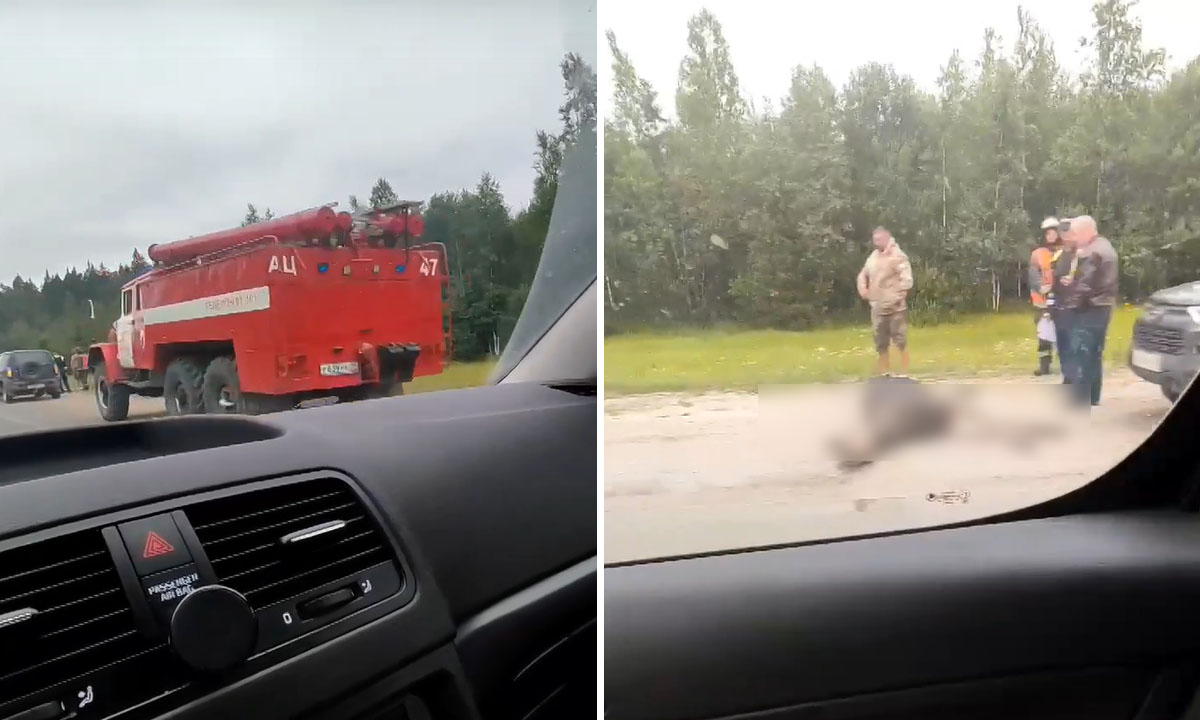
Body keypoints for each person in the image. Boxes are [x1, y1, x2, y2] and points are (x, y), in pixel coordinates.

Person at [1060, 215, 1118, 407]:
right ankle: (1093, 396)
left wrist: (1071, 305)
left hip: (1089, 308)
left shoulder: (1091, 252)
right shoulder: (1104, 246)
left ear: (1086, 231)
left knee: (1081, 352)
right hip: (1103, 306)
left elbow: (1084, 286)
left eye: (1076, 233)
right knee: (1094, 352)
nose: (1074, 238)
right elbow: (1090, 278)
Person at [857, 226, 913, 375]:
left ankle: (904, 371)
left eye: (880, 239)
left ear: (888, 238)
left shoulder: (897, 255)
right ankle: (884, 371)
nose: (877, 242)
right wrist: (863, 289)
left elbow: (906, 278)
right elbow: (863, 274)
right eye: (875, 239)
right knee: (880, 341)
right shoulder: (873, 257)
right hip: (877, 306)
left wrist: (900, 296)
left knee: (899, 339)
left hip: (895, 307)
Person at [1029, 218, 1061, 376]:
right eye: (1048, 233)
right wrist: (1041, 287)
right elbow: (1033, 274)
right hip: (1042, 302)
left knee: (1063, 333)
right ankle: (1044, 366)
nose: (1051, 236)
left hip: (1061, 301)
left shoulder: (1065, 251)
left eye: (1054, 232)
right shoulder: (1037, 254)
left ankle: (1067, 364)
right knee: (1044, 335)